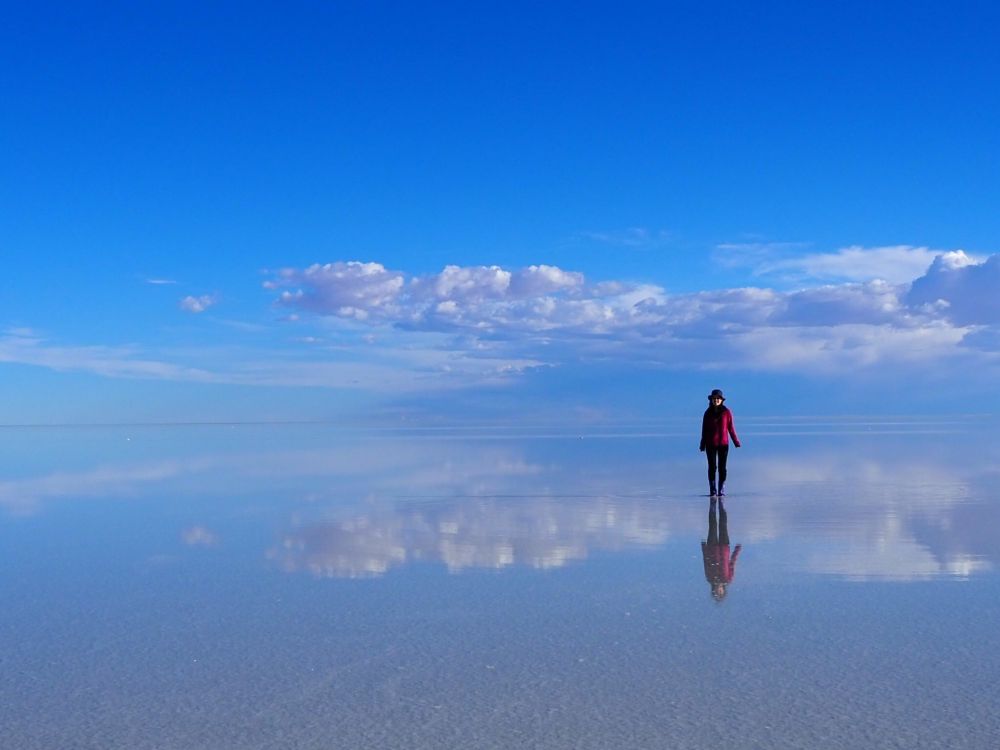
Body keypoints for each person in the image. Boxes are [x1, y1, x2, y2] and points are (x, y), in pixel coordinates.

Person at [699, 388, 740, 497]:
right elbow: (704, 430)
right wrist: (702, 444)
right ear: (711, 400)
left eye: (718, 398)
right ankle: (713, 490)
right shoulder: (707, 413)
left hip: (723, 445)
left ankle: (721, 490)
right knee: (712, 467)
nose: (716, 400)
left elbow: (731, 428)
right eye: (714, 398)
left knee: (722, 468)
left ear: (722, 400)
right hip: (710, 444)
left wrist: (736, 441)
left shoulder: (727, 412)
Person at [702, 496, 741, 601]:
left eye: (717, 593)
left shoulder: (709, 578)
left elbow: (706, 562)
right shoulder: (728, 579)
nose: (718, 591)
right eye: (719, 593)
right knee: (723, 523)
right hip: (725, 547)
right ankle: (721, 505)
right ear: (723, 591)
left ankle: (714, 505)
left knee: (713, 524)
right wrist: (737, 550)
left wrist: (704, 549)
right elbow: (732, 563)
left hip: (711, 546)